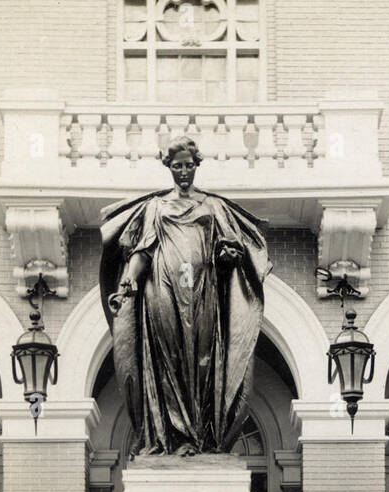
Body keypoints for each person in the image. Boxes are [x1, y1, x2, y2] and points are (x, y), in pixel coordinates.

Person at [99, 136, 270, 456]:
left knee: (203, 359)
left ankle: (199, 439)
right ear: (168, 167)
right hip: (161, 289)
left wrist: (228, 255)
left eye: (188, 165)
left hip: (202, 291)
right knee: (167, 359)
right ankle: (168, 438)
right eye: (176, 166)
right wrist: (125, 286)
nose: (183, 172)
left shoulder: (213, 206)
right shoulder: (155, 207)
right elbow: (143, 252)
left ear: (196, 165)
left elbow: (227, 248)